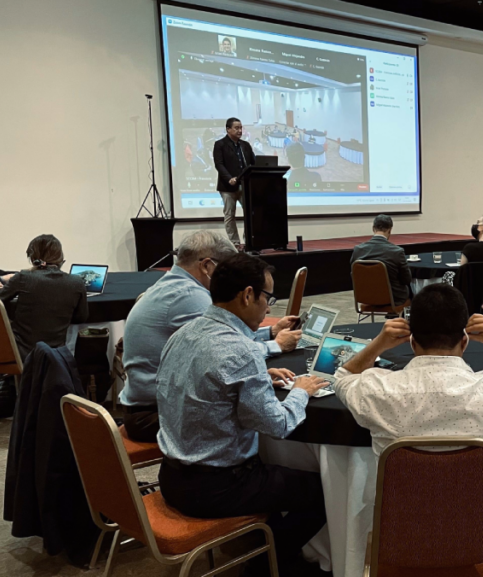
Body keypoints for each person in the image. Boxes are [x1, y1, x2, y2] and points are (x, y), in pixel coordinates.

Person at [156, 253, 329, 576]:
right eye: (268, 298)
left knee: (283, 479)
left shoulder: (183, 333)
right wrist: (300, 392)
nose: (269, 308)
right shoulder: (241, 351)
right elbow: (278, 425)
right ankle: (265, 566)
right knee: (323, 492)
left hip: (170, 475)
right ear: (247, 294)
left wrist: (262, 377)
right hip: (217, 487)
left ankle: (269, 547)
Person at [120, 231, 301, 443]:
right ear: (207, 266)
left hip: (151, 404)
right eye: (228, 271)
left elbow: (221, 341)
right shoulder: (190, 296)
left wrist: (269, 333)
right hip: (155, 413)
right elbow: (228, 350)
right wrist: (275, 346)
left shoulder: (170, 284)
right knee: (250, 417)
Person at [333, 284, 483, 456]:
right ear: (464, 341)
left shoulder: (376, 390)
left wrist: (378, 344)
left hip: (399, 504)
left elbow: (343, 377)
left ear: (412, 342)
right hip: (474, 504)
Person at [0, 235, 88, 361]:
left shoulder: (23, 277)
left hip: (21, 354)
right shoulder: (77, 282)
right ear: (60, 257)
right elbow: (81, 317)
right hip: (56, 356)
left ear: (32, 258)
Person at [350, 214, 412, 307]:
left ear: (373, 228)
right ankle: (400, 320)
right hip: (393, 299)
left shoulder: (358, 249)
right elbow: (406, 279)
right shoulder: (397, 251)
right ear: (390, 230)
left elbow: (353, 275)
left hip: (365, 297)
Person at [213, 117, 256, 246]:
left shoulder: (245, 145)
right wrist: (229, 178)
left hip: (245, 185)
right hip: (228, 187)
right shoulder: (220, 144)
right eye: (236, 128)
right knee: (230, 215)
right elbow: (219, 164)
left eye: (241, 128)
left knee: (250, 214)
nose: (239, 130)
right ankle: (235, 243)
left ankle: (249, 240)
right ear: (228, 129)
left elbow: (253, 163)